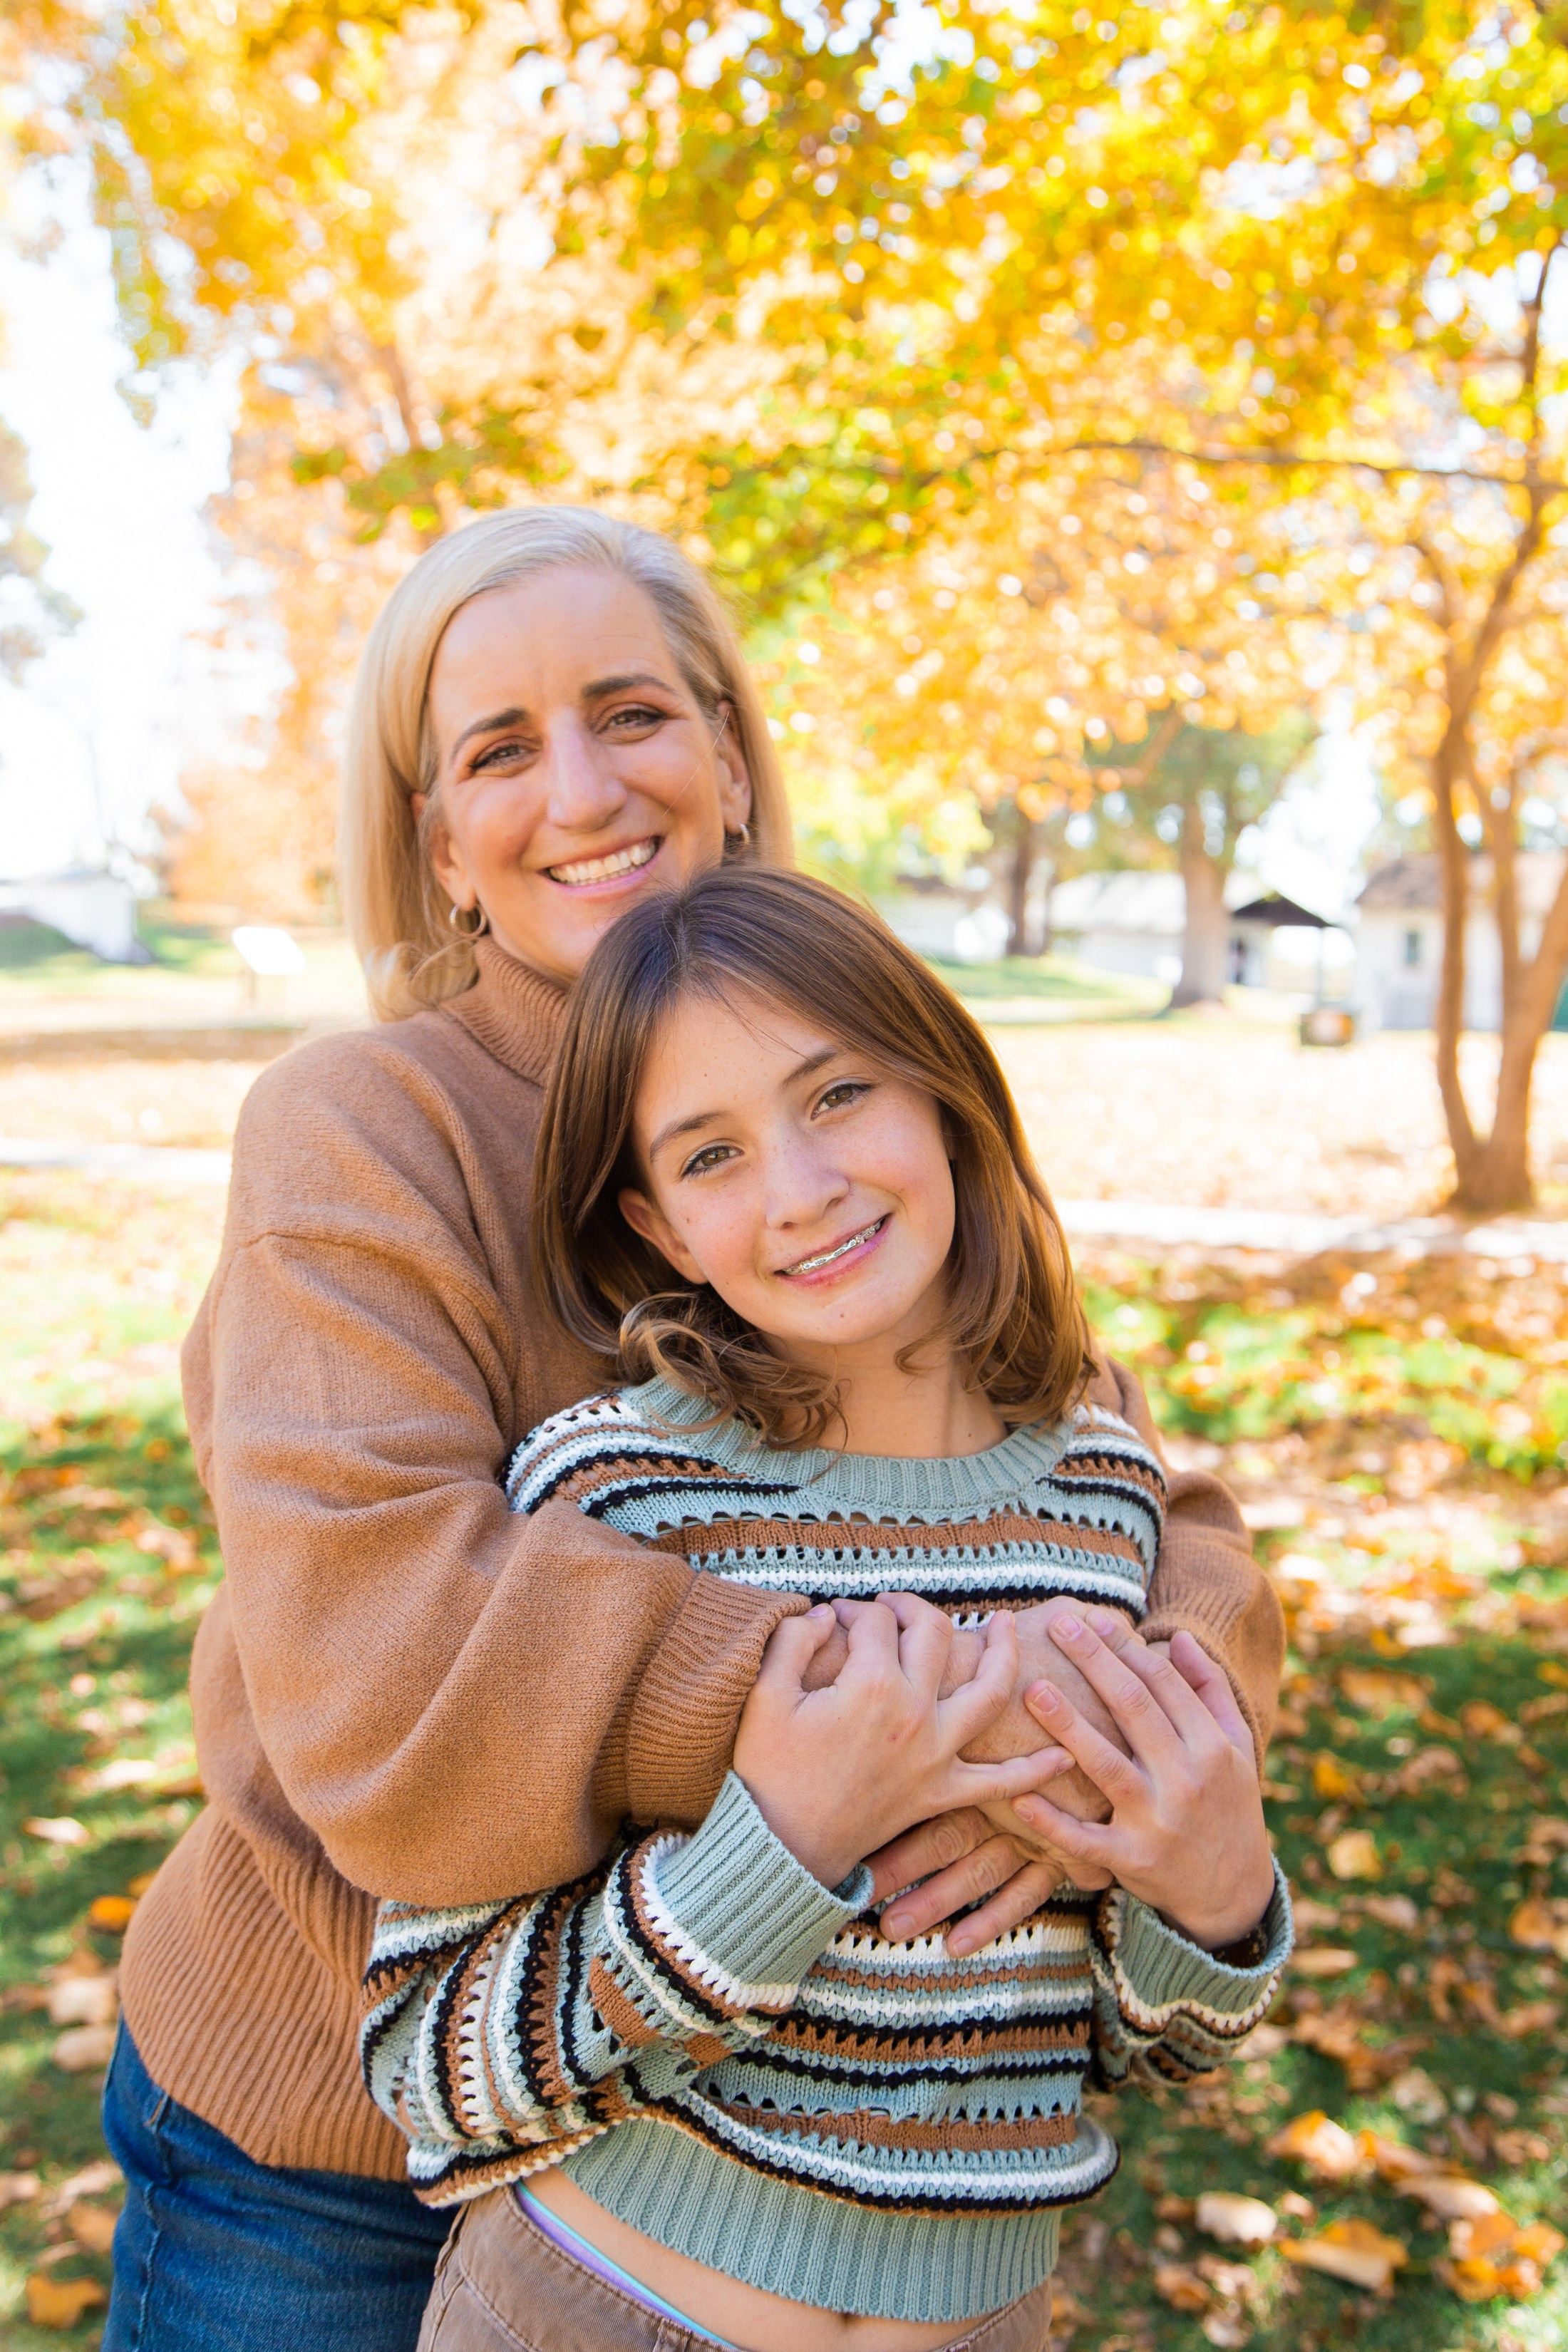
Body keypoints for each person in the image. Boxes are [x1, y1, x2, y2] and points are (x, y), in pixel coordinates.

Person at [103, 507, 1285, 2352]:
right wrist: (938, 1719)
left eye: (633, 712)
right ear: (439, 844)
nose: (581, 789)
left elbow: (1130, 1492)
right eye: (500, 748)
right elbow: (386, 1662)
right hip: (338, 2140)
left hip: (802, 2148)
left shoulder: (835, 1085)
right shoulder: (360, 1126)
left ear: (729, 755)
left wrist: (1129, 1742)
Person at [364, 867, 1291, 2352]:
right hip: (595, 2310)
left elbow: (1149, 2048)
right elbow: (429, 2057)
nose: (798, 1190)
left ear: (946, 1094)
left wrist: (1219, 1898)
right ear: (661, 1227)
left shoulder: (1109, 1498)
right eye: (711, 1154)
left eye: (840, 1093)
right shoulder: (613, 1496)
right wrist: (777, 1851)